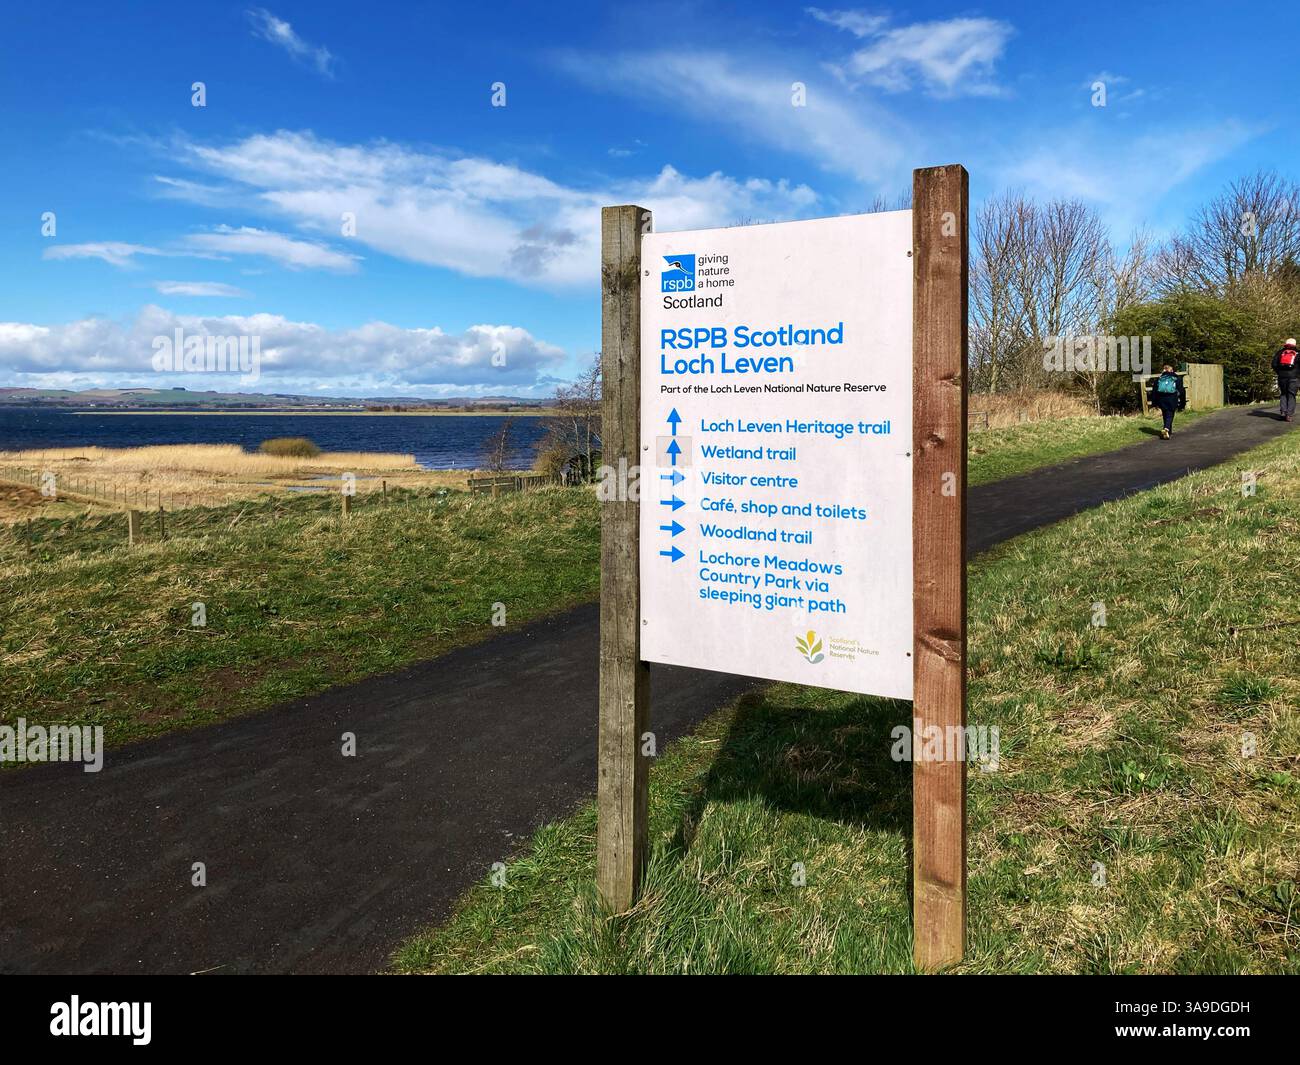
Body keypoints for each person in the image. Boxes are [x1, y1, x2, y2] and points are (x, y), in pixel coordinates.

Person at [1147, 364, 1186, 439]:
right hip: (1172, 399)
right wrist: (1182, 403)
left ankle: (1168, 432)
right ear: (1172, 370)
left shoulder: (1159, 379)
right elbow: (1182, 391)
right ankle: (1166, 428)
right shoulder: (1176, 378)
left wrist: (1154, 403)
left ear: (1164, 371)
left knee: (1165, 414)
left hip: (1161, 399)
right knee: (1170, 415)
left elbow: (1154, 392)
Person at [1272, 337, 1298, 422]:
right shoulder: (1298, 353)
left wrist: (1279, 372)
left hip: (1282, 376)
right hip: (1294, 377)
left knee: (1283, 394)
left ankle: (1283, 412)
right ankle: (1289, 415)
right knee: (1291, 395)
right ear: (1295, 344)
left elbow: (1274, 364)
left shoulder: (1280, 352)